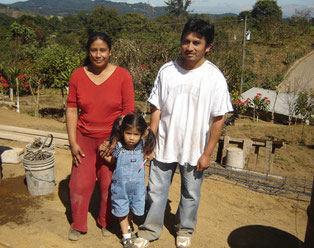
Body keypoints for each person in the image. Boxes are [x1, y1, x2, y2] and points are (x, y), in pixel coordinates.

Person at [133, 18, 233, 248]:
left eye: (196, 42)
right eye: (186, 41)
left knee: (190, 194)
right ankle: (150, 230)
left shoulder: (214, 77)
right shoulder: (167, 71)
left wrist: (208, 153)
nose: (190, 47)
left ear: (208, 47)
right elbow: (156, 107)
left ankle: (184, 229)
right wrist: (152, 139)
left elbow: (219, 119)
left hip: (195, 149)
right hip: (164, 145)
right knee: (156, 191)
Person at [66, 31, 135, 241]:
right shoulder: (78, 75)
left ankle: (106, 221)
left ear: (110, 51)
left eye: (102, 50)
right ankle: (78, 223)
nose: (98, 55)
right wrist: (72, 142)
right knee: (79, 184)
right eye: (94, 50)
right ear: (88, 52)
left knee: (108, 184)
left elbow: (127, 111)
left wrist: (115, 141)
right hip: (84, 139)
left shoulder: (123, 75)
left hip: (111, 141)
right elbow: (71, 109)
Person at [104, 113, 155, 248]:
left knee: (132, 207)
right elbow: (113, 162)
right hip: (121, 186)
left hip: (137, 186)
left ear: (141, 134)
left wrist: (149, 155)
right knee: (122, 207)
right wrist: (102, 155)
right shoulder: (118, 147)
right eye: (128, 133)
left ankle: (127, 224)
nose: (132, 138)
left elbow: (148, 154)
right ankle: (126, 236)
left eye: (136, 134)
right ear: (122, 131)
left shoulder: (142, 146)